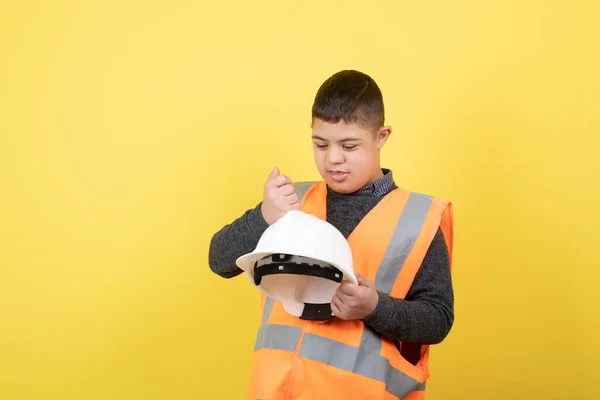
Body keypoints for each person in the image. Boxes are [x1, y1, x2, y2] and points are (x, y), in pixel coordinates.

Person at [208, 70, 454, 400]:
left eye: (349, 145)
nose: (333, 158)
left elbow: (437, 320)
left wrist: (375, 307)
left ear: (381, 136)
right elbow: (219, 260)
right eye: (320, 144)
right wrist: (264, 216)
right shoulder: (290, 202)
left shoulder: (418, 219)